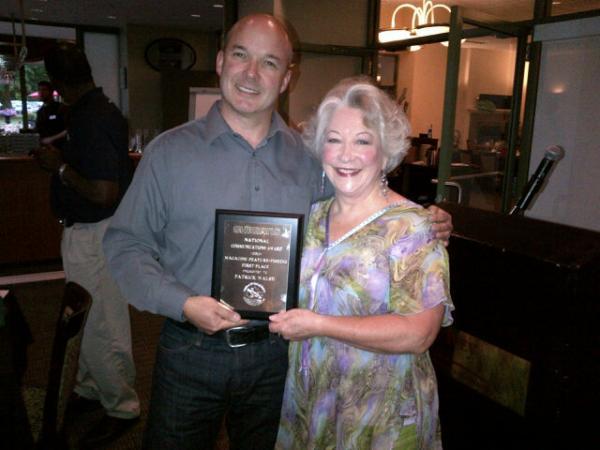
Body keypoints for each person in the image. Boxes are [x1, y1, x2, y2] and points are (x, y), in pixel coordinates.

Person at [103, 14, 452, 449]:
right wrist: (184, 303)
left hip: (281, 355)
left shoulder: (313, 162)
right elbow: (125, 245)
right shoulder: (169, 154)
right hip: (191, 352)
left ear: (287, 78)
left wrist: (425, 220)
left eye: (269, 63)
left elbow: (363, 207)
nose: (251, 73)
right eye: (240, 55)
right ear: (219, 61)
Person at [269, 77, 455, 449]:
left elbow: (419, 333)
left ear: (384, 152)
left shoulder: (412, 227)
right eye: (334, 140)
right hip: (313, 396)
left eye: (362, 141)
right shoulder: (312, 218)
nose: (345, 155)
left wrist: (319, 324)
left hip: (379, 410)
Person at [31, 44, 140, 448]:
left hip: (95, 233)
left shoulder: (92, 119)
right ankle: (94, 388)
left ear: (57, 84)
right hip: (94, 232)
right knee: (94, 319)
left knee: (100, 323)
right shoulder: (97, 112)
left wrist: (57, 166)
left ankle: (122, 407)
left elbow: (102, 191)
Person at [34, 80, 67, 147]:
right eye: (39, 90)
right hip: (44, 149)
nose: (41, 93)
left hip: (60, 148)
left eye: (44, 90)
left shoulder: (60, 108)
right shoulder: (40, 111)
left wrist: (51, 139)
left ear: (51, 92)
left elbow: (69, 129)